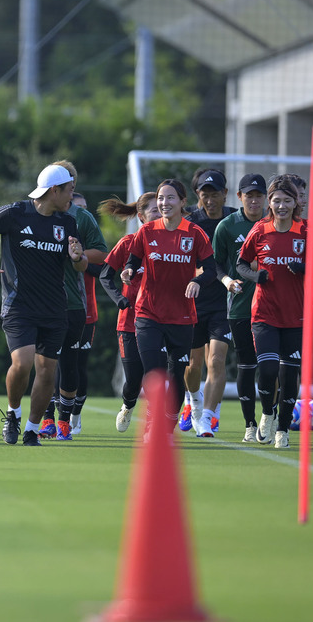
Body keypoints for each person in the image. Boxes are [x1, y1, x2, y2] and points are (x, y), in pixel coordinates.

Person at [0, 164, 87, 447]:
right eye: (69, 190)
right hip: (19, 306)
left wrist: (78, 257)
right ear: (54, 190)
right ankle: (13, 413)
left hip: (55, 309)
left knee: (47, 371)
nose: (72, 195)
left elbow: (79, 266)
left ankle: (32, 429)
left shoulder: (67, 222)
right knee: (22, 364)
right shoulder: (14, 213)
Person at [237, 175, 313, 448]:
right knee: (266, 369)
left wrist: (304, 267)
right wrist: (257, 277)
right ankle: (267, 413)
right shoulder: (259, 230)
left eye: (287, 200)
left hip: (297, 316)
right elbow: (241, 265)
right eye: (276, 200)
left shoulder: (305, 231)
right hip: (264, 314)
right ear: (270, 202)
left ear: (295, 203)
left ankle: (284, 430)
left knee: (289, 375)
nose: (281, 205)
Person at [120, 179, 216, 440]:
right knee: (154, 372)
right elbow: (132, 261)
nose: (164, 203)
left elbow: (211, 270)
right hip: (148, 312)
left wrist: (197, 281)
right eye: (161, 198)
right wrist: (128, 271)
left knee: (176, 378)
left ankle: (168, 425)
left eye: (170, 198)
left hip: (182, 316)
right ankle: (153, 421)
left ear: (183, 202)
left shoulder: (195, 234)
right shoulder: (147, 231)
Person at [39, 163, 107, 440]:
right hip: (40, 303)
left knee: (69, 364)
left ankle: (65, 420)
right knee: (43, 364)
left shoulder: (83, 217)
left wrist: (77, 255)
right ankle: (45, 420)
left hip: (75, 304)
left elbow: (102, 254)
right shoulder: (35, 213)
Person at [181, 169, 237, 437]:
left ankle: (208, 417)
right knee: (194, 365)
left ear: (225, 194)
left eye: (215, 194)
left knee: (217, 360)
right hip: (194, 301)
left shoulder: (235, 220)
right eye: (205, 194)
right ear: (198, 195)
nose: (211, 199)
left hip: (224, 303)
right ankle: (192, 401)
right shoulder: (189, 222)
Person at [98, 193, 160, 432]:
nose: (158, 213)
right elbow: (105, 275)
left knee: (156, 374)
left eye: (161, 209)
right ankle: (127, 405)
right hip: (130, 322)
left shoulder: (173, 244)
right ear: (142, 216)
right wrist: (119, 298)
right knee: (134, 378)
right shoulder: (127, 244)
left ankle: (154, 420)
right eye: (153, 210)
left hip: (160, 320)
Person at [212, 173, 267, 443]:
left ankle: (273, 419)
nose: (254, 200)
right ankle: (249, 424)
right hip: (241, 307)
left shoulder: (276, 224)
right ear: (239, 197)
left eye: (258, 195)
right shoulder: (227, 226)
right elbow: (217, 263)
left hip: (275, 307)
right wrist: (226, 280)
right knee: (246, 366)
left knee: (274, 366)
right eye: (249, 195)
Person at [67, 190, 102, 435]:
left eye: (86, 208)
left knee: (79, 366)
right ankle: (56, 416)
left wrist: (80, 258)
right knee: (56, 364)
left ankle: (75, 415)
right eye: (79, 208)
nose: (83, 213)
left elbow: (102, 268)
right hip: (60, 309)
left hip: (87, 311)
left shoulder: (91, 242)